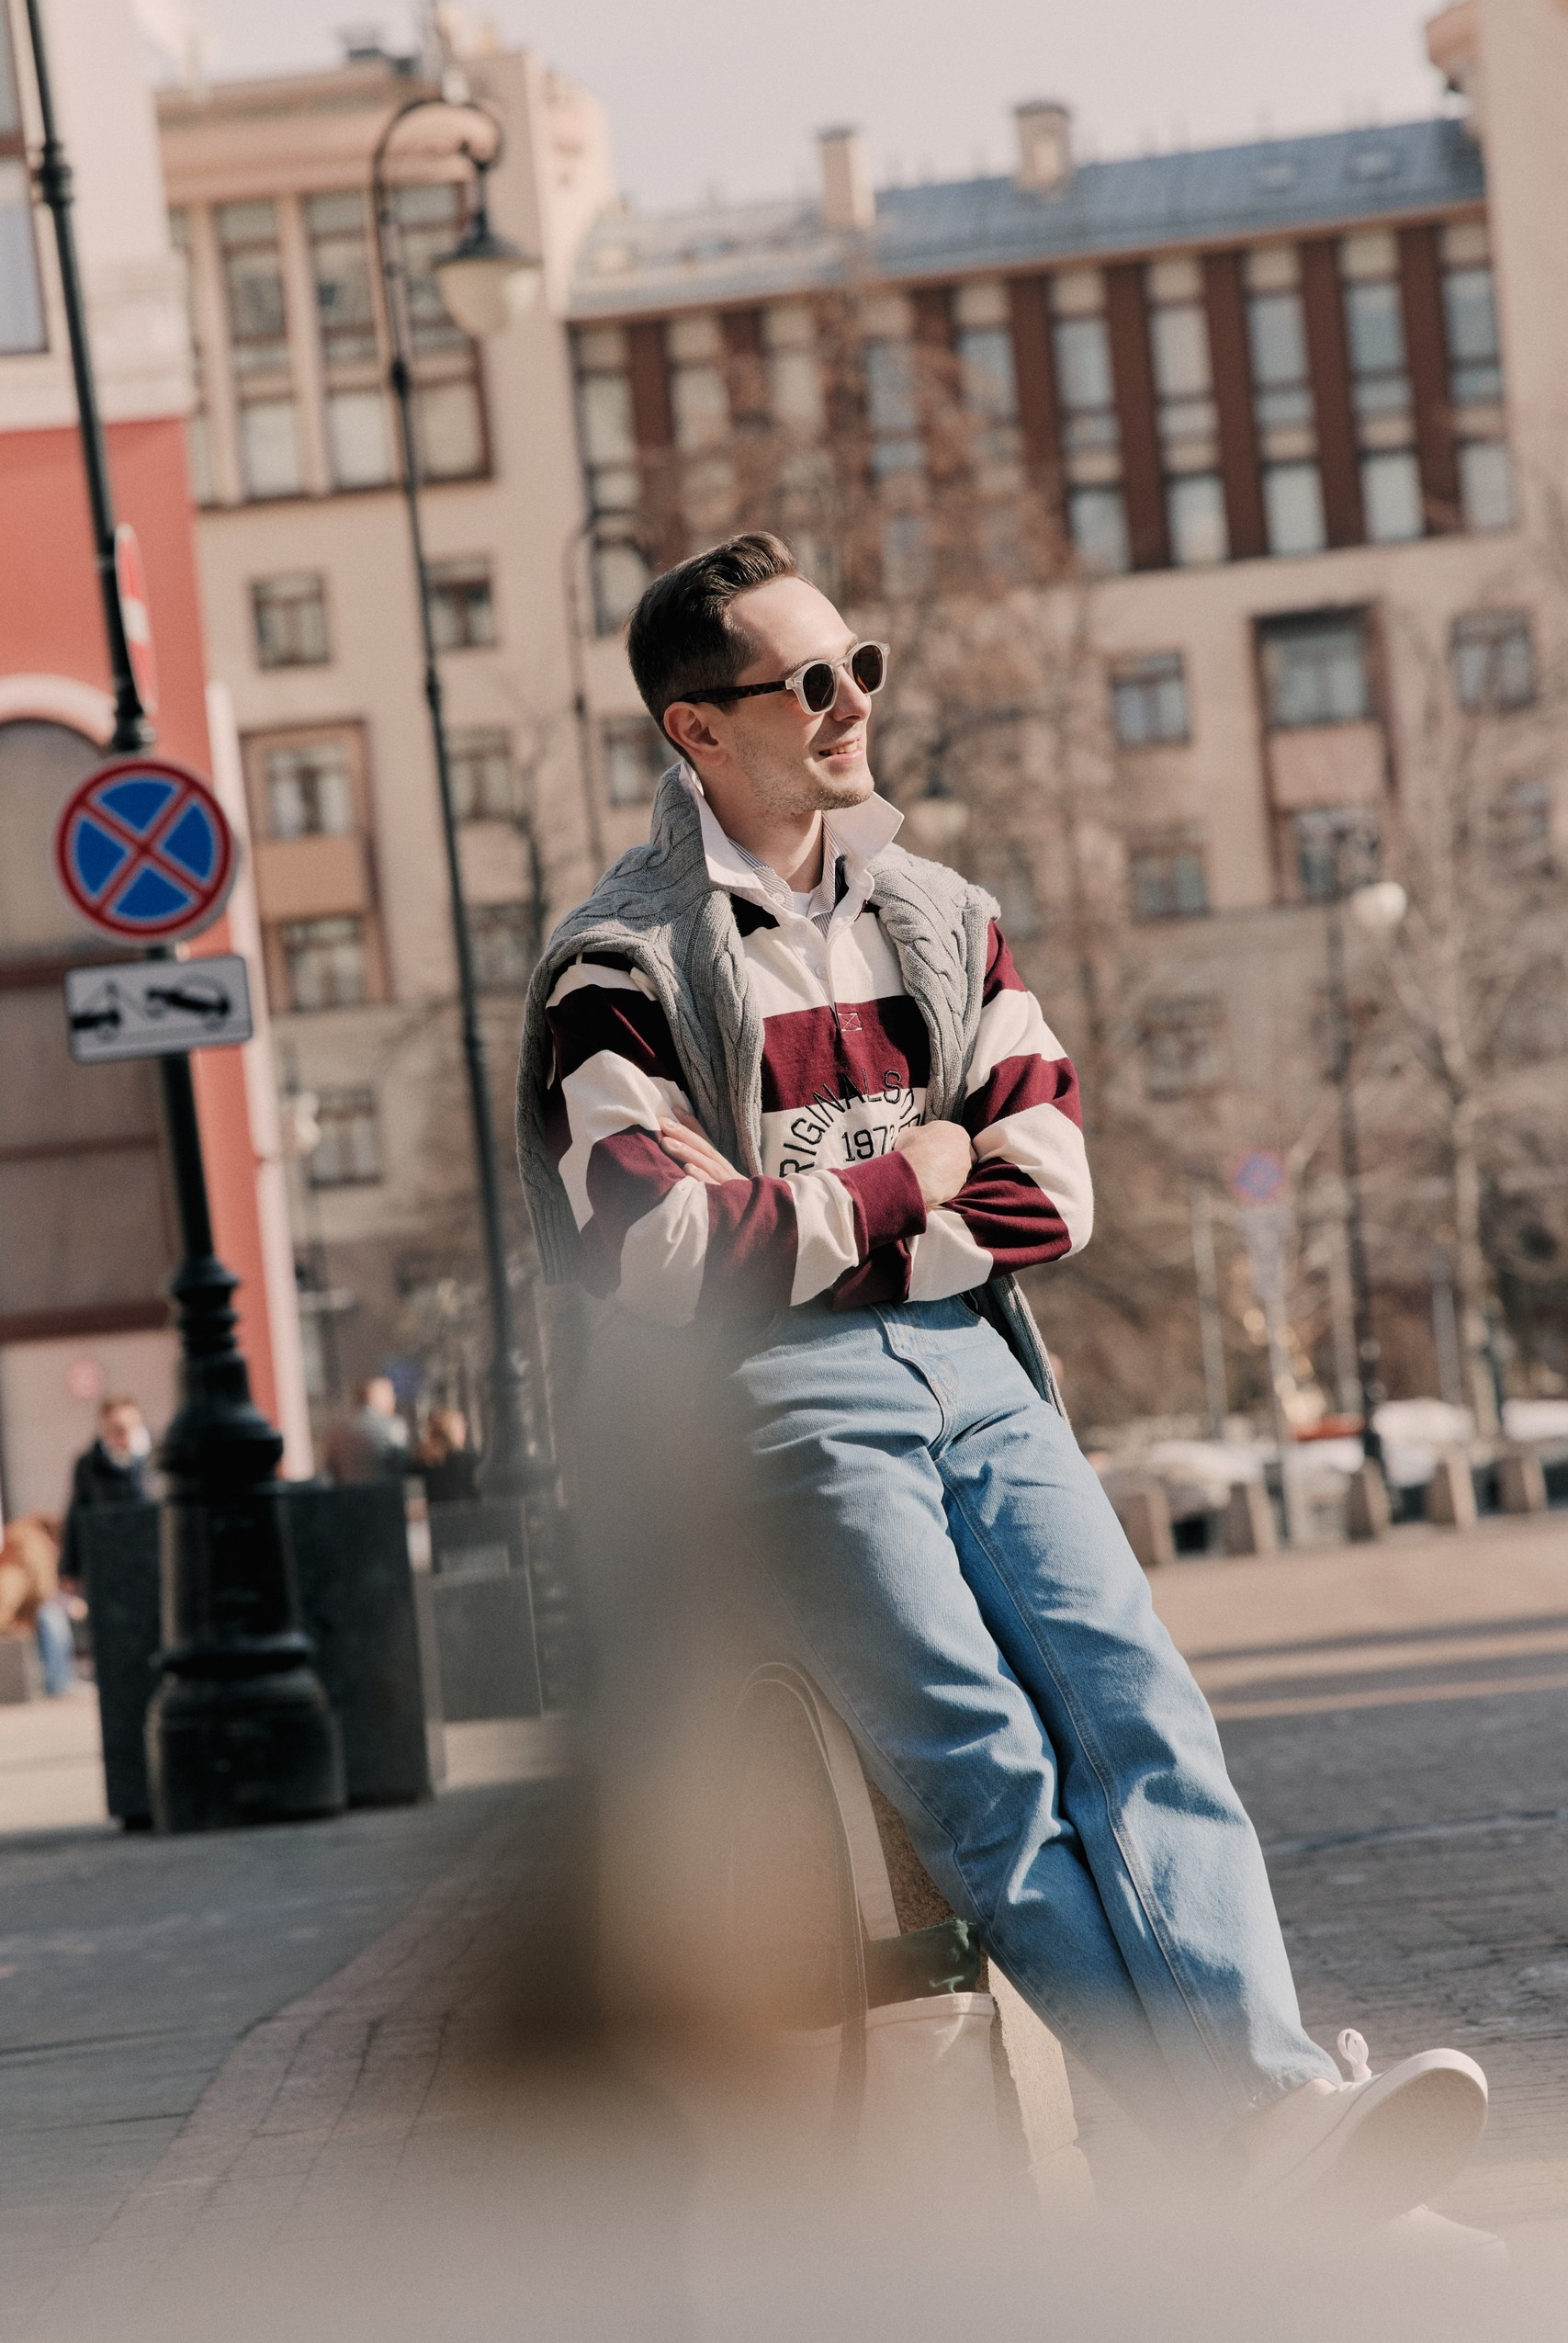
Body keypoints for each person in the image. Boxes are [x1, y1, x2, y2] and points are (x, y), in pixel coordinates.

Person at [515, 532, 1488, 2224]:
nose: (848, 703)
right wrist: (912, 1178)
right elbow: (659, 1251)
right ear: (697, 729)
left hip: (979, 1367)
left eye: (860, 666)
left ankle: (1262, 2121)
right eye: (805, 682)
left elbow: (1049, 1192)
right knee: (980, 1767)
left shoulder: (943, 918)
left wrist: (829, 1219)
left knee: (1143, 1715)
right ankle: (1255, 2138)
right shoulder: (619, 966)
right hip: (780, 1406)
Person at [61, 1393, 153, 1593]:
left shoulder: (154, 1459)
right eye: (117, 1429)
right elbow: (76, 1512)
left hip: (149, 1558)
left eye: (131, 1427)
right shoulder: (89, 1464)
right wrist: (69, 1569)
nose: (124, 1435)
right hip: (108, 1562)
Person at [0, 1514, 82, 1696]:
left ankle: (60, 1681)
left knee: (51, 1614)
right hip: (11, 1611)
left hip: (16, 1609)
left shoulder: (24, 1539)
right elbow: (34, 1589)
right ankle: (58, 1684)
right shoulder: (32, 1544)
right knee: (52, 1616)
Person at [322, 1375, 412, 1484]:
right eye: (390, 1395)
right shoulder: (393, 1426)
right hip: (385, 1491)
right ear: (378, 1397)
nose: (393, 1401)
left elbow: (331, 1469)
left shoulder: (337, 1430)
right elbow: (403, 1466)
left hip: (349, 1493)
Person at [412, 1407, 479, 1504]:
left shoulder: (420, 1462)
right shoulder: (466, 1460)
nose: (465, 1429)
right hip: (466, 1512)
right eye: (461, 1426)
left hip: (433, 1513)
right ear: (452, 1430)